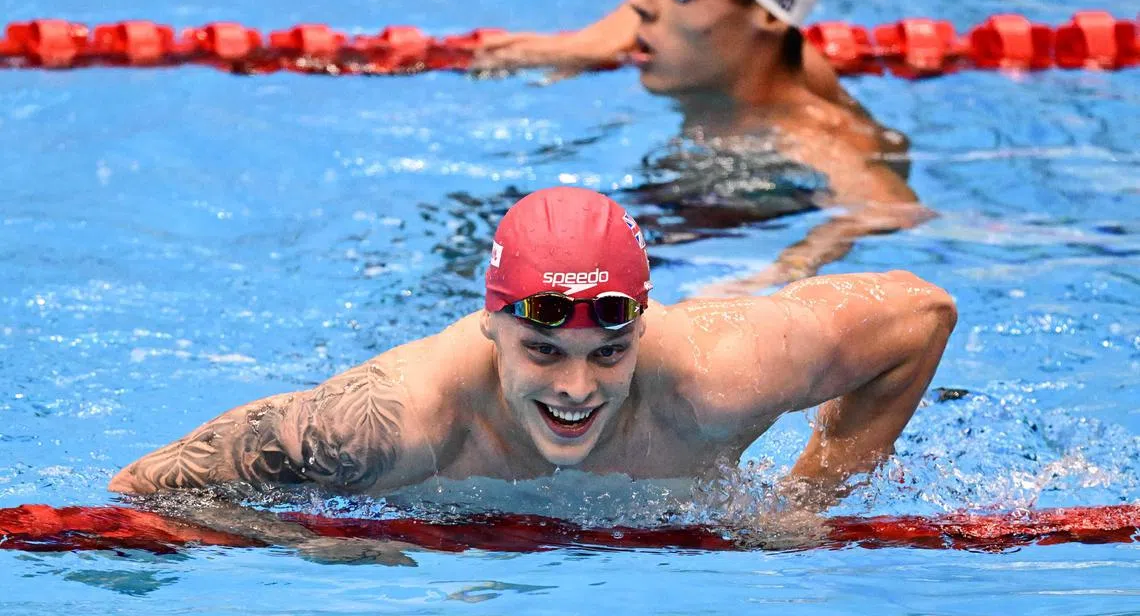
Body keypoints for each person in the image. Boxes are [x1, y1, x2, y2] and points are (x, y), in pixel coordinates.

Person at [110, 187, 956, 511]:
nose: (579, 388)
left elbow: (922, 314)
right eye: (544, 351)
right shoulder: (390, 426)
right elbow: (141, 488)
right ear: (491, 326)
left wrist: (812, 497)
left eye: (609, 350)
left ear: (644, 329)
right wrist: (306, 541)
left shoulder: (722, 375)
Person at [473, 0, 926, 291]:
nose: (641, 6)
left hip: (738, 208)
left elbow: (893, 208)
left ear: (766, 14)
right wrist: (580, 45)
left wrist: (781, 272)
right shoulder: (765, 52)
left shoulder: (804, 136)